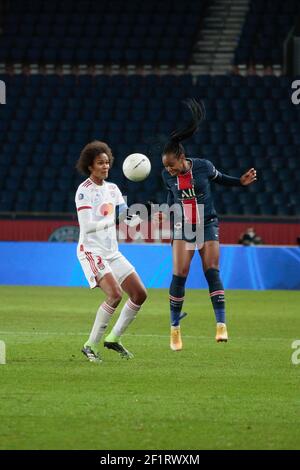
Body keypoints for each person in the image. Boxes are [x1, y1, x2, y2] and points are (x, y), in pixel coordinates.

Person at [155, 99, 257, 351]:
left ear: (182, 157)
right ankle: (175, 330)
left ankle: (221, 325)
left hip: (207, 222)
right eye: (165, 167)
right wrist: (165, 213)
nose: (168, 170)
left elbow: (221, 179)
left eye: (171, 165)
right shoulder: (167, 177)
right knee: (180, 275)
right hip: (183, 226)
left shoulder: (203, 166)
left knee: (212, 270)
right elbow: (171, 197)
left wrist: (240, 182)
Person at [75, 141, 147, 362]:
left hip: (111, 251)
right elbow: (87, 226)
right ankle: (90, 345)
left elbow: (127, 217)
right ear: (90, 166)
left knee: (139, 294)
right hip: (91, 250)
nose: (105, 166)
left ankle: (114, 338)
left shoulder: (113, 189)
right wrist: (114, 219)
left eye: (107, 162)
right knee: (115, 294)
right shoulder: (84, 191)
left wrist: (144, 215)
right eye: (100, 163)